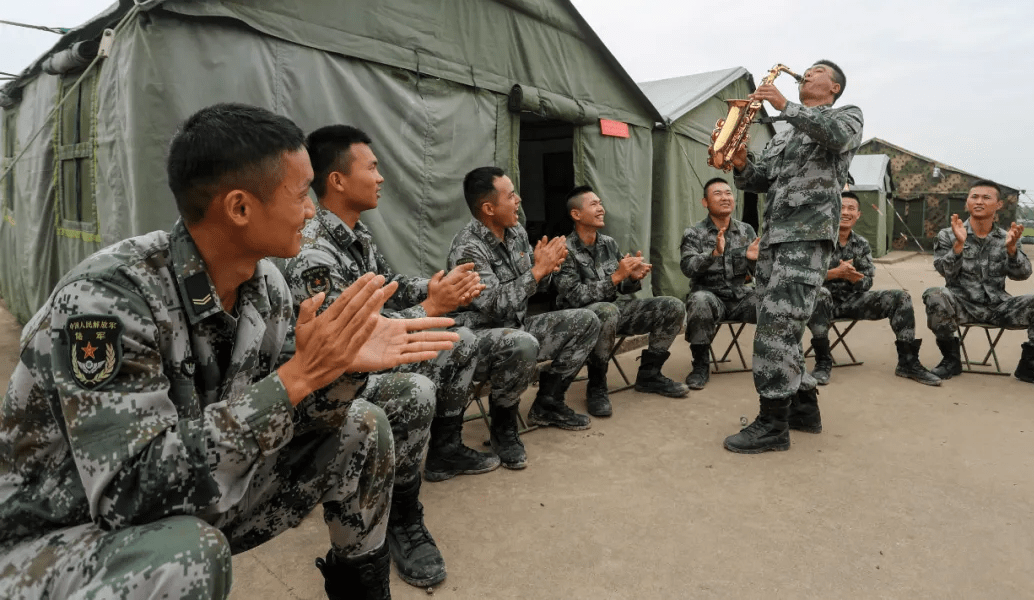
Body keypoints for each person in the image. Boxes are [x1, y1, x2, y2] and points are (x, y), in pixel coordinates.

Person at [0, 103, 459, 600]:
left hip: (188, 490)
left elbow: (305, 416)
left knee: (363, 426)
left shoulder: (265, 287)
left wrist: (339, 370)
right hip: (60, 536)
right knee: (190, 556)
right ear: (239, 208)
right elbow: (127, 495)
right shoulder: (107, 299)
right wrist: (296, 378)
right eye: (301, 194)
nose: (311, 210)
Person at [282, 125, 500, 589]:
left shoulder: (354, 235)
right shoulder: (314, 251)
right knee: (415, 391)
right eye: (373, 167)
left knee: (459, 342)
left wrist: (433, 290)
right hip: (333, 378)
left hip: (370, 355)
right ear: (338, 180)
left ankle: (443, 453)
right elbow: (348, 342)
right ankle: (402, 516)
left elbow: (388, 286)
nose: (381, 178)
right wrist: (431, 309)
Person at [723, 60, 864, 453]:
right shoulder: (784, 135)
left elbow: (835, 137)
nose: (807, 73)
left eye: (817, 71)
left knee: (775, 327)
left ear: (834, 87)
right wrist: (739, 163)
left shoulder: (846, 116)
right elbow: (760, 180)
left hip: (806, 238)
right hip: (775, 240)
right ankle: (803, 407)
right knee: (778, 323)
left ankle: (773, 424)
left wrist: (784, 105)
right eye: (807, 70)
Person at [446, 167, 601, 467]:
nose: (518, 200)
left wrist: (546, 269)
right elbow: (492, 304)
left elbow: (528, 286)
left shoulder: (515, 232)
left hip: (517, 328)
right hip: (479, 341)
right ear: (488, 208)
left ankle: (549, 403)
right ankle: (503, 427)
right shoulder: (467, 248)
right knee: (522, 342)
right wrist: (537, 271)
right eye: (511, 195)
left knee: (586, 321)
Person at [923, 180, 1034, 392]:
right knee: (935, 294)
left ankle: (1032, 366)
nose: (979, 202)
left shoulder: (1007, 237)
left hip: (999, 306)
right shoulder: (949, 234)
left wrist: (1012, 250)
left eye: (986, 197)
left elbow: (1023, 275)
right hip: (961, 305)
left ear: (998, 205)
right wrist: (958, 246)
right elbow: (943, 271)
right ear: (967, 202)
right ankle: (950, 361)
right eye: (974, 197)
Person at [553, 185, 688, 416]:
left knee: (672, 306)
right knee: (606, 311)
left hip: (612, 312)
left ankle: (650, 374)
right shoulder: (563, 250)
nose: (601, 209)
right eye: (594, 204)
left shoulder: (608, 243)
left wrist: (632, 279)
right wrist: (616, 277)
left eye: (601, 204)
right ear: (576, 214)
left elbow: (620, 288)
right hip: (580, 321)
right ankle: (596, 385)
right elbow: (575, 297)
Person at [806, 191, 940, 386]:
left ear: (858, 215)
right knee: (820, 294)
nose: (845, 212)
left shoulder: (861, 244)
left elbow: (867, 282)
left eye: (851, 209)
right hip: (818, 306)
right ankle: (823, 362)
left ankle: (907, 362)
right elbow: (803, 277)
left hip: (851, 301)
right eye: (841, 208)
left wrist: (855, 278)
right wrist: (836, 273)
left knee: (900, 297)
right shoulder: (817, 241)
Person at [679, 177, 761, 390]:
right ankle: (700, 365)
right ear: (705, 202)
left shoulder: (747, 231)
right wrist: (714, 253)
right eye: (718, 194)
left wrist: (755, 261)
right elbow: (688, 267)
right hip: (710, 296)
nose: (725, 198)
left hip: (740, 296)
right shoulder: (694, 233)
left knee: (772, 302)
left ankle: (774, 360)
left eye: (728, 193)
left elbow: (757, 271)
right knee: (699, 300)